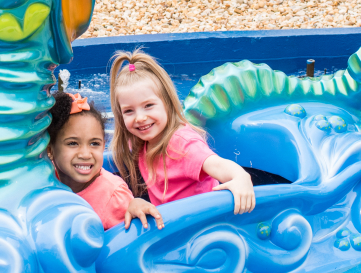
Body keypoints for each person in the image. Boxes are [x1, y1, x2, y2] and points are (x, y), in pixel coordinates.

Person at [109, 50, 256, 215]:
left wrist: (241, 178)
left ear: (167, 103)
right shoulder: (141, 141)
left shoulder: (181, 144)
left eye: (148, 106)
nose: (140, 118)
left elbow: (217, 165)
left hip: (205, 222)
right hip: (173, 222)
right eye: (129, 111)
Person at [46, 91, 163, 230]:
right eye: (72, 143)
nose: (85, 154)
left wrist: (135, 204)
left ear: (104, 145)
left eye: (94, 143)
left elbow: (130, 236)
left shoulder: (113, 196)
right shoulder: (45, 176)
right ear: (50, 150)